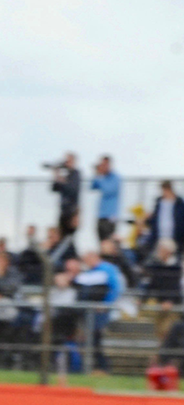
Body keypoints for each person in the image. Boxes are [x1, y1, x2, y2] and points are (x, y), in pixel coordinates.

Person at [72, 245, 125, 373]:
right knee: (91, 340)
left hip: (100, 312)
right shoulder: (88, 272)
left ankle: (103, 367)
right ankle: (97, 368)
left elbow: (116, 288)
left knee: (95, 338)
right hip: (89, 312)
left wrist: (106, 304)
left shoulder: (107, 269)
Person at [146, 181, 184, 256]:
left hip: (175, 239)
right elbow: (154, 220)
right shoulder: (159, 203)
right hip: (159, 238)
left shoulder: (180, 203)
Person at [90, 155, 121, 242]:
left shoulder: (116, 178)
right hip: (101, 215)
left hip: (110, 217)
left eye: (104, 164)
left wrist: (101, 176)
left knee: (109, 242)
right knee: (101, 241)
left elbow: (107, 190)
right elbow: (92, 186)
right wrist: (96, 173)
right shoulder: (101, 177)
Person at [50, 153, 81, 235]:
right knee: (61, 235)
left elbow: (72, 189)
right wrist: (56, 174)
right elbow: (54, 188)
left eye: (68, 161)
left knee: (69, 236)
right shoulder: (66, 176)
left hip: (71, 211)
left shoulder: (75, 174)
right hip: (63, 211)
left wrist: (61, 180)